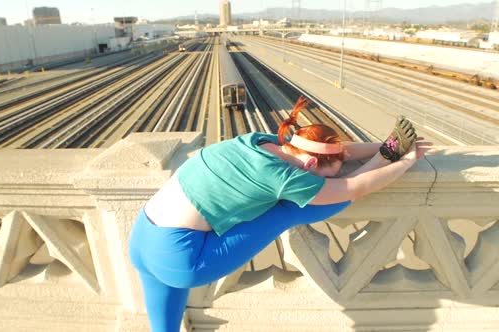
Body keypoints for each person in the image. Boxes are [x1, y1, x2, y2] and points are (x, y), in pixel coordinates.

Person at [129, 96, 432, 331]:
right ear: (312, 167)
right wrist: (402, 162)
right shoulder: (286, 178)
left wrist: (384, 147)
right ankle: (384, 156)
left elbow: (339, 152)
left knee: (163, 328)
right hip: (183, 259)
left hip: (142, 236)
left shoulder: (261, 141)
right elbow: (353, 187)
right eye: (325, 176)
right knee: (291, 209)